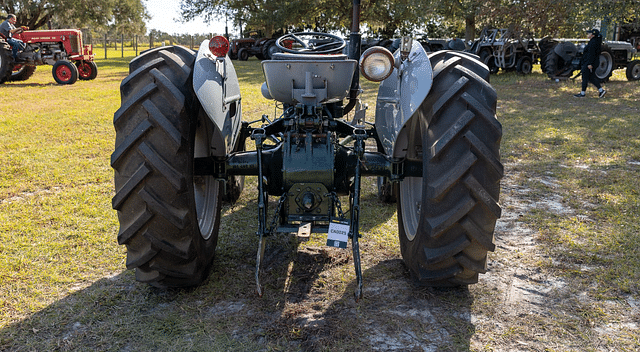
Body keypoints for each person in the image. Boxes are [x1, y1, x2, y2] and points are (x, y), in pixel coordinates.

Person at [574, 28, 606, 98]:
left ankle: (582, 93)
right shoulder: (594, 41)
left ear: (593, 35)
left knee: (585, 77)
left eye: (589, 33)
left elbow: (591, 54)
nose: (588, 34)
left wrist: (589, 64)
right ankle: (601, 91)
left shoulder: (593, 43)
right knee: (591, 78)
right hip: (591, 62)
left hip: (590, 63)